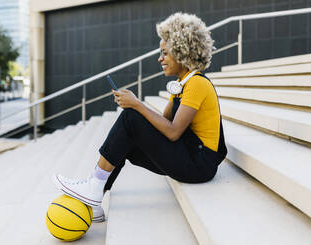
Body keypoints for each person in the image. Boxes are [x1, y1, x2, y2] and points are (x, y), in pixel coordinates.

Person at [53, 12, 227, 223]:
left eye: (164, 53)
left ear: (182, 52)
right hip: (189, 154)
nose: (159, 58)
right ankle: (95, 196)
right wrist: (136, 110)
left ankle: (94, 185)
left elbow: (172, 132)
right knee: (128, 135)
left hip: (199, 164)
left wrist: (136, 105)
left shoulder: (198, 84)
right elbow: (160, 125)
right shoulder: (182, 84)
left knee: (130, 118)